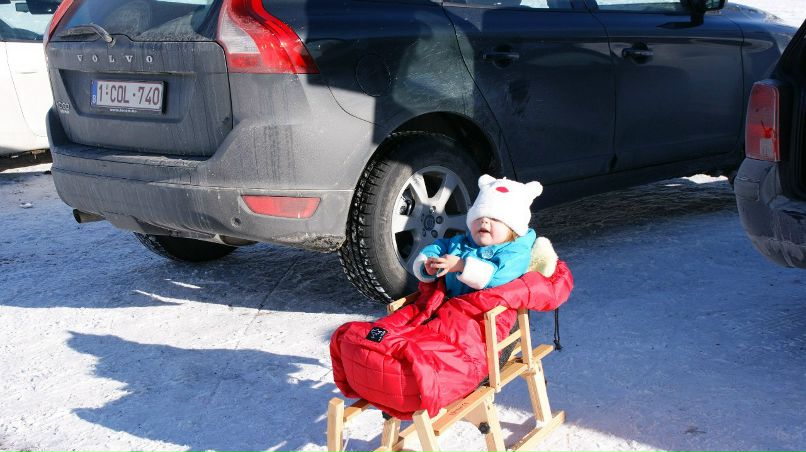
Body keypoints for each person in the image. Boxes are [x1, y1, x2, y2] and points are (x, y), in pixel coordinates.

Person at [413, 174, 544, 297]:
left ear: (512, 228)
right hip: (453, 307)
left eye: (495, 218)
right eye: (479, 216)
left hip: (486, 314)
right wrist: (429, 265)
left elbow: (498, 277)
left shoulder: (516, 252)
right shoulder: (462, 242)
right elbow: (439, 247)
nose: (484, 221)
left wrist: (462, 265)